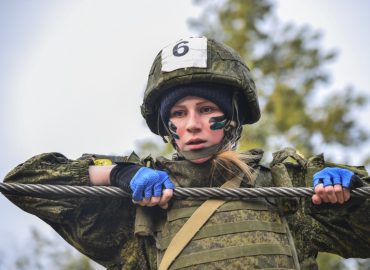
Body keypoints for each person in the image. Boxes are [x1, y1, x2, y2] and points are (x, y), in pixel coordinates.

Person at [3, 37, 370, 270]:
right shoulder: (140, 202)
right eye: (178, 113)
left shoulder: (286, 185)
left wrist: (353, 198)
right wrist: (118, 174)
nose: (192, 124)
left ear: (234, 117)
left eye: (207, 108)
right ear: (166, 128)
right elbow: (22, 183)